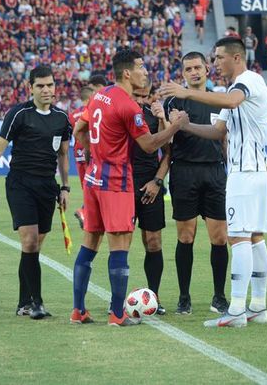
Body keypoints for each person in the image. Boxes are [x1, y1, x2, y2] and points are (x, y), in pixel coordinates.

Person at [69, 49, 188, 326]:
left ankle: (78, 310)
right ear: (127, 73)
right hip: (116, 183)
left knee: (90, 244)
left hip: (93, 181)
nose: (145, 72)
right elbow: (148, 145)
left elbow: (78, 131)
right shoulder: (127, 105)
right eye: (141, 67)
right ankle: (116, 314)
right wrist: (175, 127)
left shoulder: (99, 96)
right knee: (119, 246)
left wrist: (93, 155)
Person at [160, 37, 267, 328]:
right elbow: (217, 131)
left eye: (218, 57)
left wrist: (187, 92)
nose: (215, 63)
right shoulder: (232, 90)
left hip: (245, 173)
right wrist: (184, 125)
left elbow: (233, 101)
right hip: (252, 171)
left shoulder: (247, 81)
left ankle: (235, 309)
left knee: (236, 238)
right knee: (255, 237)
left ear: (236, 57)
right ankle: (258, 307)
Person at [0, 66, 70, 320]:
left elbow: (63, 155)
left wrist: (65, 187)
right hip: (20, 184)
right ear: (30, 88)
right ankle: (37, 304)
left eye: (50, 85)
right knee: (30, 241)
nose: (46, 90)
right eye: (41, 86)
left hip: (48, 186)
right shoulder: (18, 114)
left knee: (34, 247)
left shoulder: (62, 118)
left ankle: (24, 302)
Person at [163, 51, 229, 315]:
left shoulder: (220, 101)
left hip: (214, 173)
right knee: (186, 237)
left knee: (219, 237)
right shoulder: (174, 102)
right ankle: (184, 297)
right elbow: (169, 139)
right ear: (183, 74)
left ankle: (219, 296)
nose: (193, 72)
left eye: (197, 67)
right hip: (184, 172)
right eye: (188, 69)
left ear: (207, 70)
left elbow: (224, 140)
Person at [131, 81, 171, 316]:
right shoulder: (118, 113)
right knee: (121, 244)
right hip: (123, 184)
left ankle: (153, 298)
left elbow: (168, 152)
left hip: (150, 185)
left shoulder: (153, 116)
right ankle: (117, 298)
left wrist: (157, 182)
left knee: (153, 241)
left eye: (145, 96)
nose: (141, 100)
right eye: (137, 95)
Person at [68, 85, 94, 229]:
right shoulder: (91, 111)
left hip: (77, 153)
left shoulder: (73, 115)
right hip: (89, 150)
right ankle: (84, 211)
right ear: (90, 98)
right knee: (93, 185)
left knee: (85, 186)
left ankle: (87, 214)